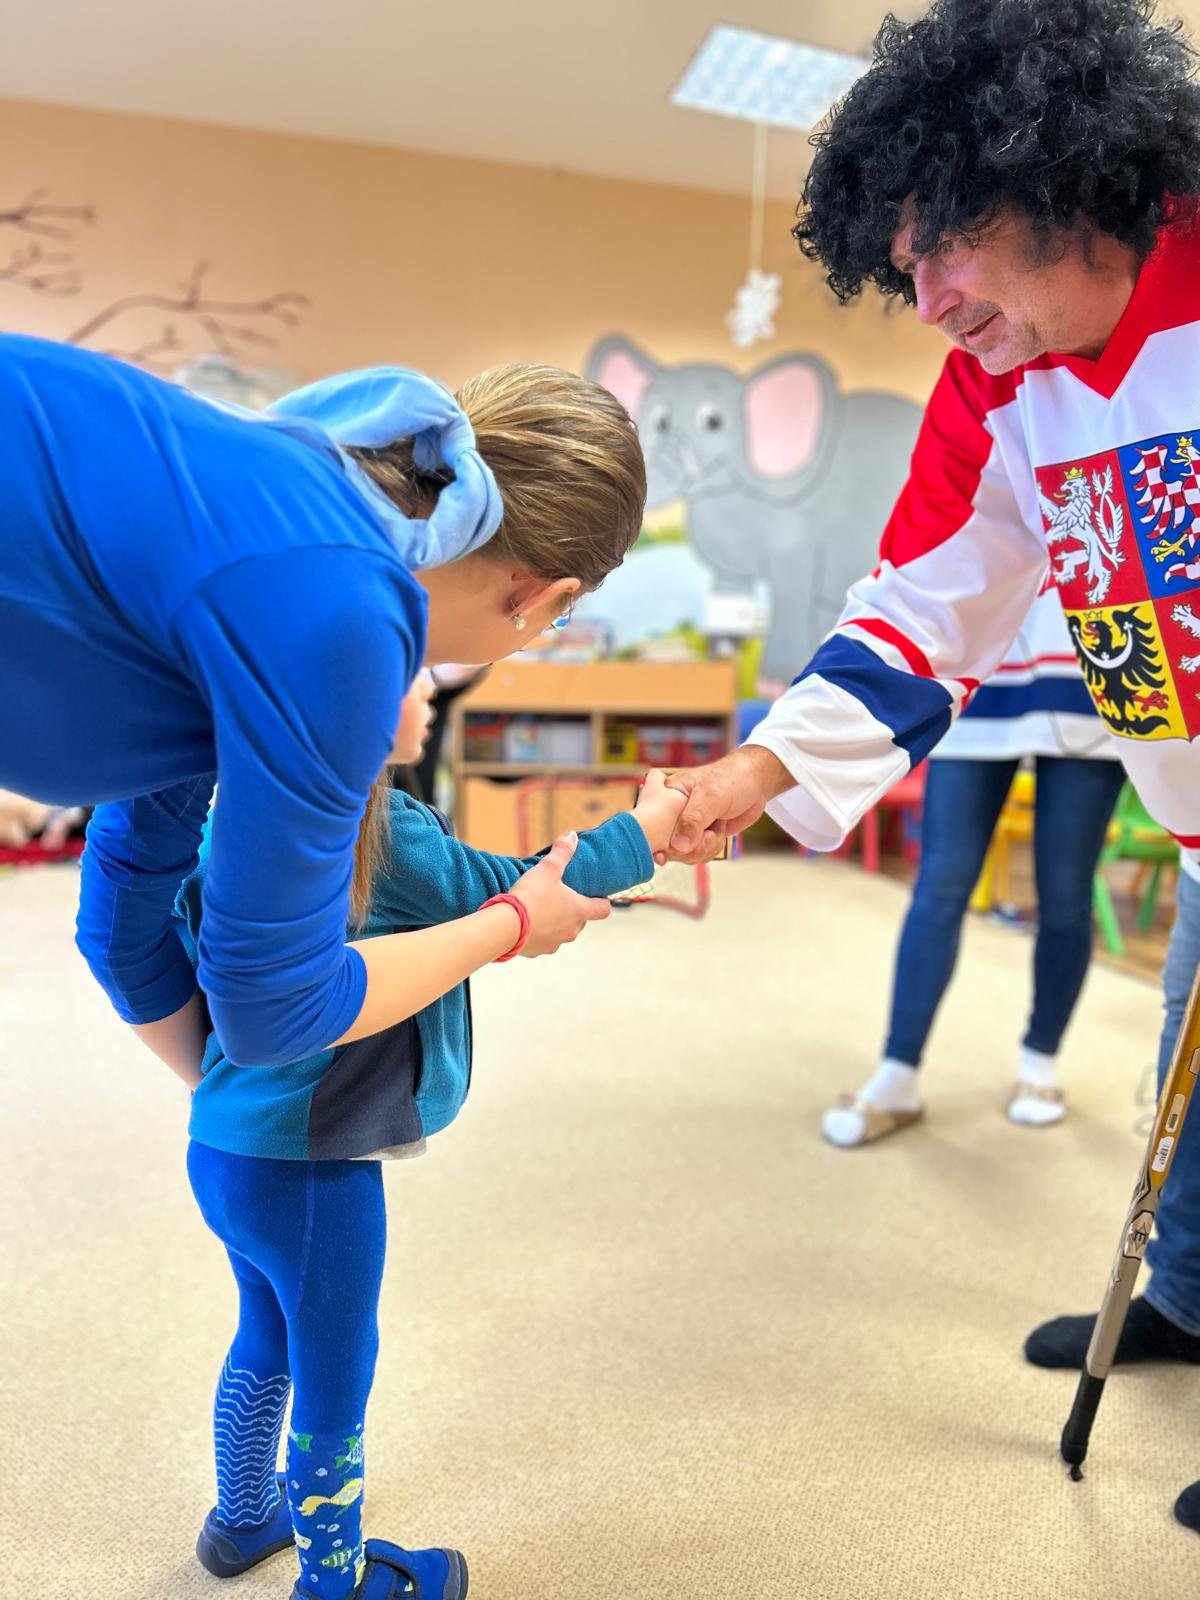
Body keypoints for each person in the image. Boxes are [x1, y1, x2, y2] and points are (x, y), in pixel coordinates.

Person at [660, 0, 1200, 1529]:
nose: (927, 298)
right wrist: (755, 775)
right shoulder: (1000, 390)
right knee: (1190, 1074)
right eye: (901, 266)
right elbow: (924, 601)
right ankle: (1184, 1297)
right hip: (1196, 820)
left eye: (945, 243)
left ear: (1065, 176)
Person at [0, 336, 645, 1089]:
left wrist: (221, 1101)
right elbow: (273, 1011)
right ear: (538, 594)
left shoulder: (297, 506)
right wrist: (515, 922)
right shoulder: (338, 618)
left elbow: (124, 920)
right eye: (559, 618)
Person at [178, 671, 686, 1599]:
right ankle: (333, 1582)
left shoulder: (241, 812)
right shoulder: (383, 832)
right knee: (337, 1374)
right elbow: (519, 889)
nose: (433, 685)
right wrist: (646, 830)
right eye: (414, 668)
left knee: (265, 1331)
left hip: (223, 1145)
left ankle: (242, 1517)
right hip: (312, 1167)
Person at [824, 590, 1124, 1146]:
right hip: (981, 673)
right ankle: (898, 1070)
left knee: (1066, 893)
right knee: (939, 886)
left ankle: (1040, 1060)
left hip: (1093, 671)